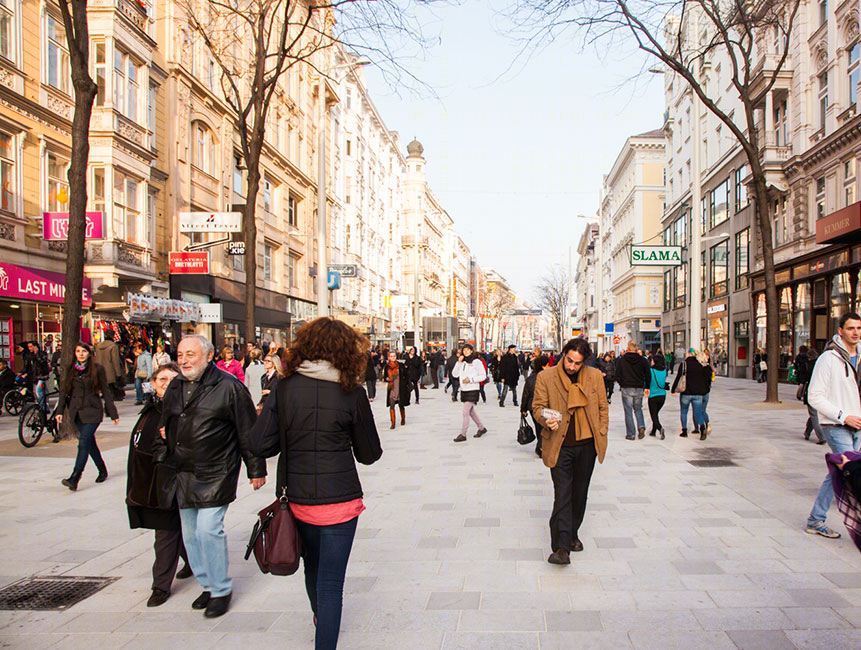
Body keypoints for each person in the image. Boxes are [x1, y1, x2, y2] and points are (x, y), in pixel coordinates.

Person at [249, 318, 382, 650]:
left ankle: (320, 617)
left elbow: (260, 444)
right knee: (331, 584)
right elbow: (369, 454)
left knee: (313, 568)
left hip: (299, 500)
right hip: (341, 501)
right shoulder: (352, 390)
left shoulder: (284, 386)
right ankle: (326, 633)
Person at [152, 335, 266, 618]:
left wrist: (256, 470)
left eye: (190, 354)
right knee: (190, 536)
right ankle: (207, 583)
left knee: (208, 530)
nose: (184, 360)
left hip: (216, 471)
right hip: (182, 472)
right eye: (180, 354)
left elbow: (247, 431)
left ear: (209, 355)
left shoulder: (229, 387)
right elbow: (163, 426)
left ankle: (221, 589)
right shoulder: (176, 385)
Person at [533, 338, 608, 564]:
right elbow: (537, 407)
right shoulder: (546, 377)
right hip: (560, 445)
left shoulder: (594, 376)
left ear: (584, 362)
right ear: (563, 354)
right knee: (562, 495)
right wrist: (547, 420)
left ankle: (573, 532)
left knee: (579, 493)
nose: (572, 366)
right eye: (569, 360)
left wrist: (602, 430)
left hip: (587, 447)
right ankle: (561, 547)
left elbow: (603, 407)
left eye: (577, 363)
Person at [126, 361, 194, 607]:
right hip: (151, 482)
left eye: (171, 379)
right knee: (175, 530)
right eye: (161, 379)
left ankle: (160, 586)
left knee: (166, 534)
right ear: (153, 384)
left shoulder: (186, 410)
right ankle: (193, 562)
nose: (166, 383)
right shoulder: (149, 411)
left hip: (177, 482)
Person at [805, 312, 861, 539]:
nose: (856, 332)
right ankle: (816, 519)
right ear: (840, 331)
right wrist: (843, 416)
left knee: (840, 471)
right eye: (850, 328)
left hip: (858, 424)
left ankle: (815, 519)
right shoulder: (829, 359)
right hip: (837, 425)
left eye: (859, 328)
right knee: (849, 468)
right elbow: (814, 397)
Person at [58, 342, 119, 490]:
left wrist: (113, 413)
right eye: (78, 351)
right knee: (90, 443)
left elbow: (106, 391)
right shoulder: (70, 369)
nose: (80, 354)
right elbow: (64, 392)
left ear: (89, 353)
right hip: (76, 412)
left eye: (83, 351)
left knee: (83, 442)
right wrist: (60, 411)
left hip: (92, 411)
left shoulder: (97, 369)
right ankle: (102, 470)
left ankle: (75, 477)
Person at [614, 341, 651, 440]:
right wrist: (647, 386)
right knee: (638, 409)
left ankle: (631, 434)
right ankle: (641, 425)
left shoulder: (622, 360)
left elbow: (617, 374)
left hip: (627, 387)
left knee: (628, 411)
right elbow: (648, 373)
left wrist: (622, 383)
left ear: (627, 348)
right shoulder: (642, 360)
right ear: (636, 348)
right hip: (638, 387)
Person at [671, 348, 710, 439]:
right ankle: (702, 427)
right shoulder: (700, 364)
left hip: (686, 392)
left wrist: (673, 389)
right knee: (698, 412)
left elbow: (678, 377)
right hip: (698, 393)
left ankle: (684, 431)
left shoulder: (684, 364)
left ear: (688, 354)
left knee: (684, 411)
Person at [452, 343, 488, 442]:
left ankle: (463, 434)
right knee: (471, 412)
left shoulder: (476, 362)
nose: (466, 352)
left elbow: (483, 376)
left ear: (472, 351)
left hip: (473, 389)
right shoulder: (462, 362)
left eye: (468, 350)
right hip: (464, 390)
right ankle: (481, 428)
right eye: (464, 350)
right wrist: (458, 362)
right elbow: (454, 374)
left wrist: (471, 379)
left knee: (465, 411)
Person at [521, 355, 549, 457]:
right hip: (544, 406)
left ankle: (540, 447)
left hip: (532, 407)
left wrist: (523, 409)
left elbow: (525, 395)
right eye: (547, 364)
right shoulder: (547, 377)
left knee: (539, 427)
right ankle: (541, 447)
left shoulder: (530, 378)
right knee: (543, 427)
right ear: (543, 366)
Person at [796, 345, 825, 444]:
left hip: (811, 391)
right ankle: (807, 432)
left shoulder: (807, 365)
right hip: (823, 391)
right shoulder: (821, 365)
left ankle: (821, 437)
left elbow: (802, 380)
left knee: (814, 414)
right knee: (814, 414)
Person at [384, 350, 410, 428]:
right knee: (392, 405)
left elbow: (406, 375)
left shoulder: (400, 365)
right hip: (392, 387)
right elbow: (384, 377)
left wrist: (407, 384)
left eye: (394, 356)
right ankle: (393, 423)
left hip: (400, 387)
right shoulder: (387, 367)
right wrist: (387, 379)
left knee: (401, 405)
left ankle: (403, 419)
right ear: (389, 357)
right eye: (391, 356)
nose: (393, 358)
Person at [648, 355, 668, 439]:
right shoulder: (664, 371)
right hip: (662, 395)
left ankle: (660, 428)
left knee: (653, 415)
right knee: (655, 414)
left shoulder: (651, 371)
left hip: (653, 395)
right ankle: (653, 430)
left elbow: (648, 381)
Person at [27, 342, 51, 411]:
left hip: (42, 375)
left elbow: (42, 362)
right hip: (35, 376)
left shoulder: (42, 354)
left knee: (39, 391)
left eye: (31, 347)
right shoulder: (31, 355)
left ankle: (42, 407)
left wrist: (37, 354)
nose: (30, 349)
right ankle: (46, 406)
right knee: (43, 391)